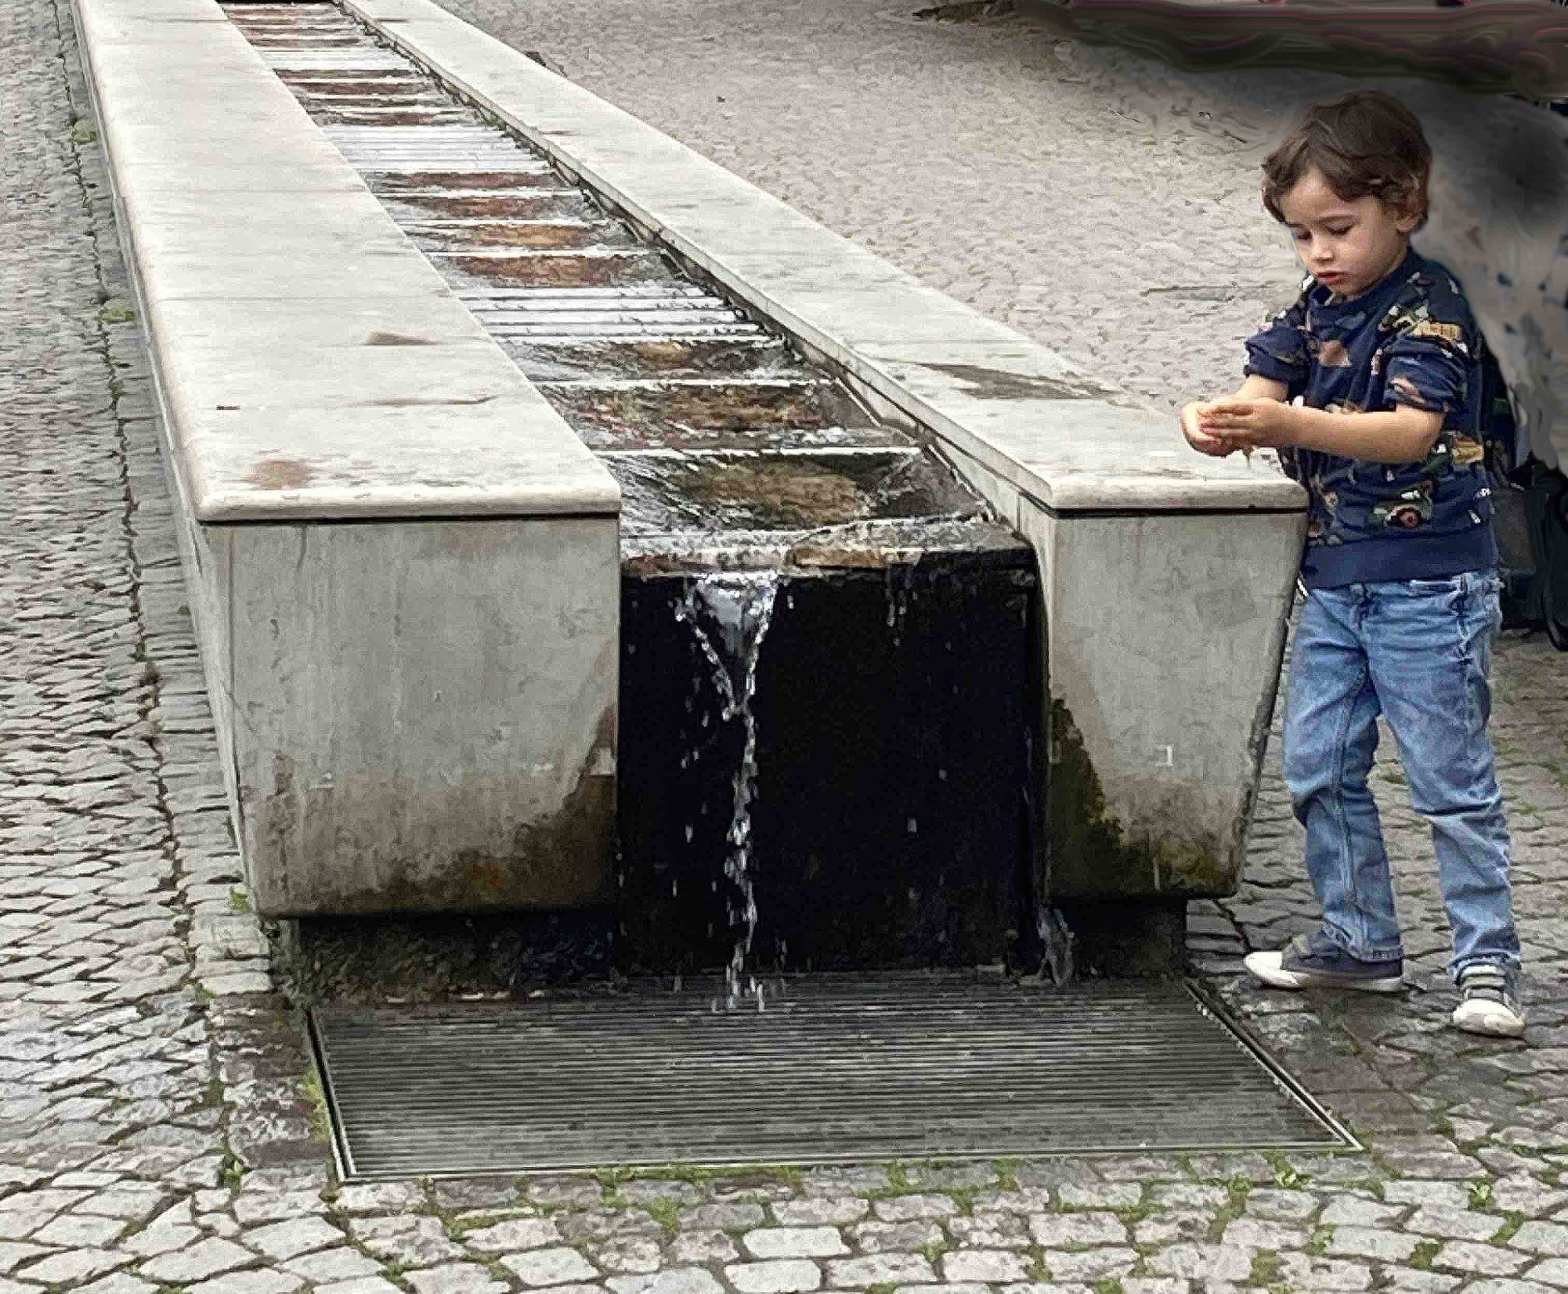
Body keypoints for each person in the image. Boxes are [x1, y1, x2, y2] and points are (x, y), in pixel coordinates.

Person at [1180, 89, 1526, 1038]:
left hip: (1430, 585)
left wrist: (1288, 424)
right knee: (1319, 767)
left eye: (1338, 228)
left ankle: (1488, 963)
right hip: (1335, 584)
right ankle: (1358, 940)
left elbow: (1410, 433)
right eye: (1301, 236)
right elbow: (1260, 390)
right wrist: (1216, 422)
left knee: (1449, 780)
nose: (1320, 253)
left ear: (1405, 205)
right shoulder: (1315, 306)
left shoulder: (1431, 306)